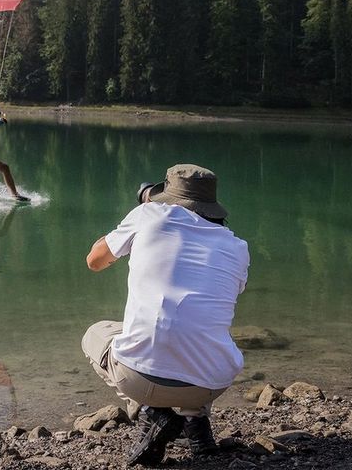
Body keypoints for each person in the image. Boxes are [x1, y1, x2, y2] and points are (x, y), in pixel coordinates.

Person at [82, 164, 250, 467]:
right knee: (200, 330)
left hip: (140, 380)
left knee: (95, 334)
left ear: (166, 198)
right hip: (211, 383)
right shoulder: (237, 245)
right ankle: (198, 431)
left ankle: (152, 413)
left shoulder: (149, 215)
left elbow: (94, 261)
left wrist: (143, 214)